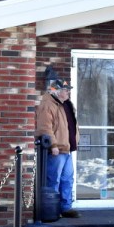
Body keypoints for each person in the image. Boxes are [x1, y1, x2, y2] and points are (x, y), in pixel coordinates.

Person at [35, 77, 81, 218]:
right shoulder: (48, 105)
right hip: (57, 149)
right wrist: (53, 145)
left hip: (67, 149)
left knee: (67, 179)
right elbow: (45, 128)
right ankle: (52, 209)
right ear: (56, 91)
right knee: (54, 180)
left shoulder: (66, 104)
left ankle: (66, 207)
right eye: (66, 90)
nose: (68, 93)